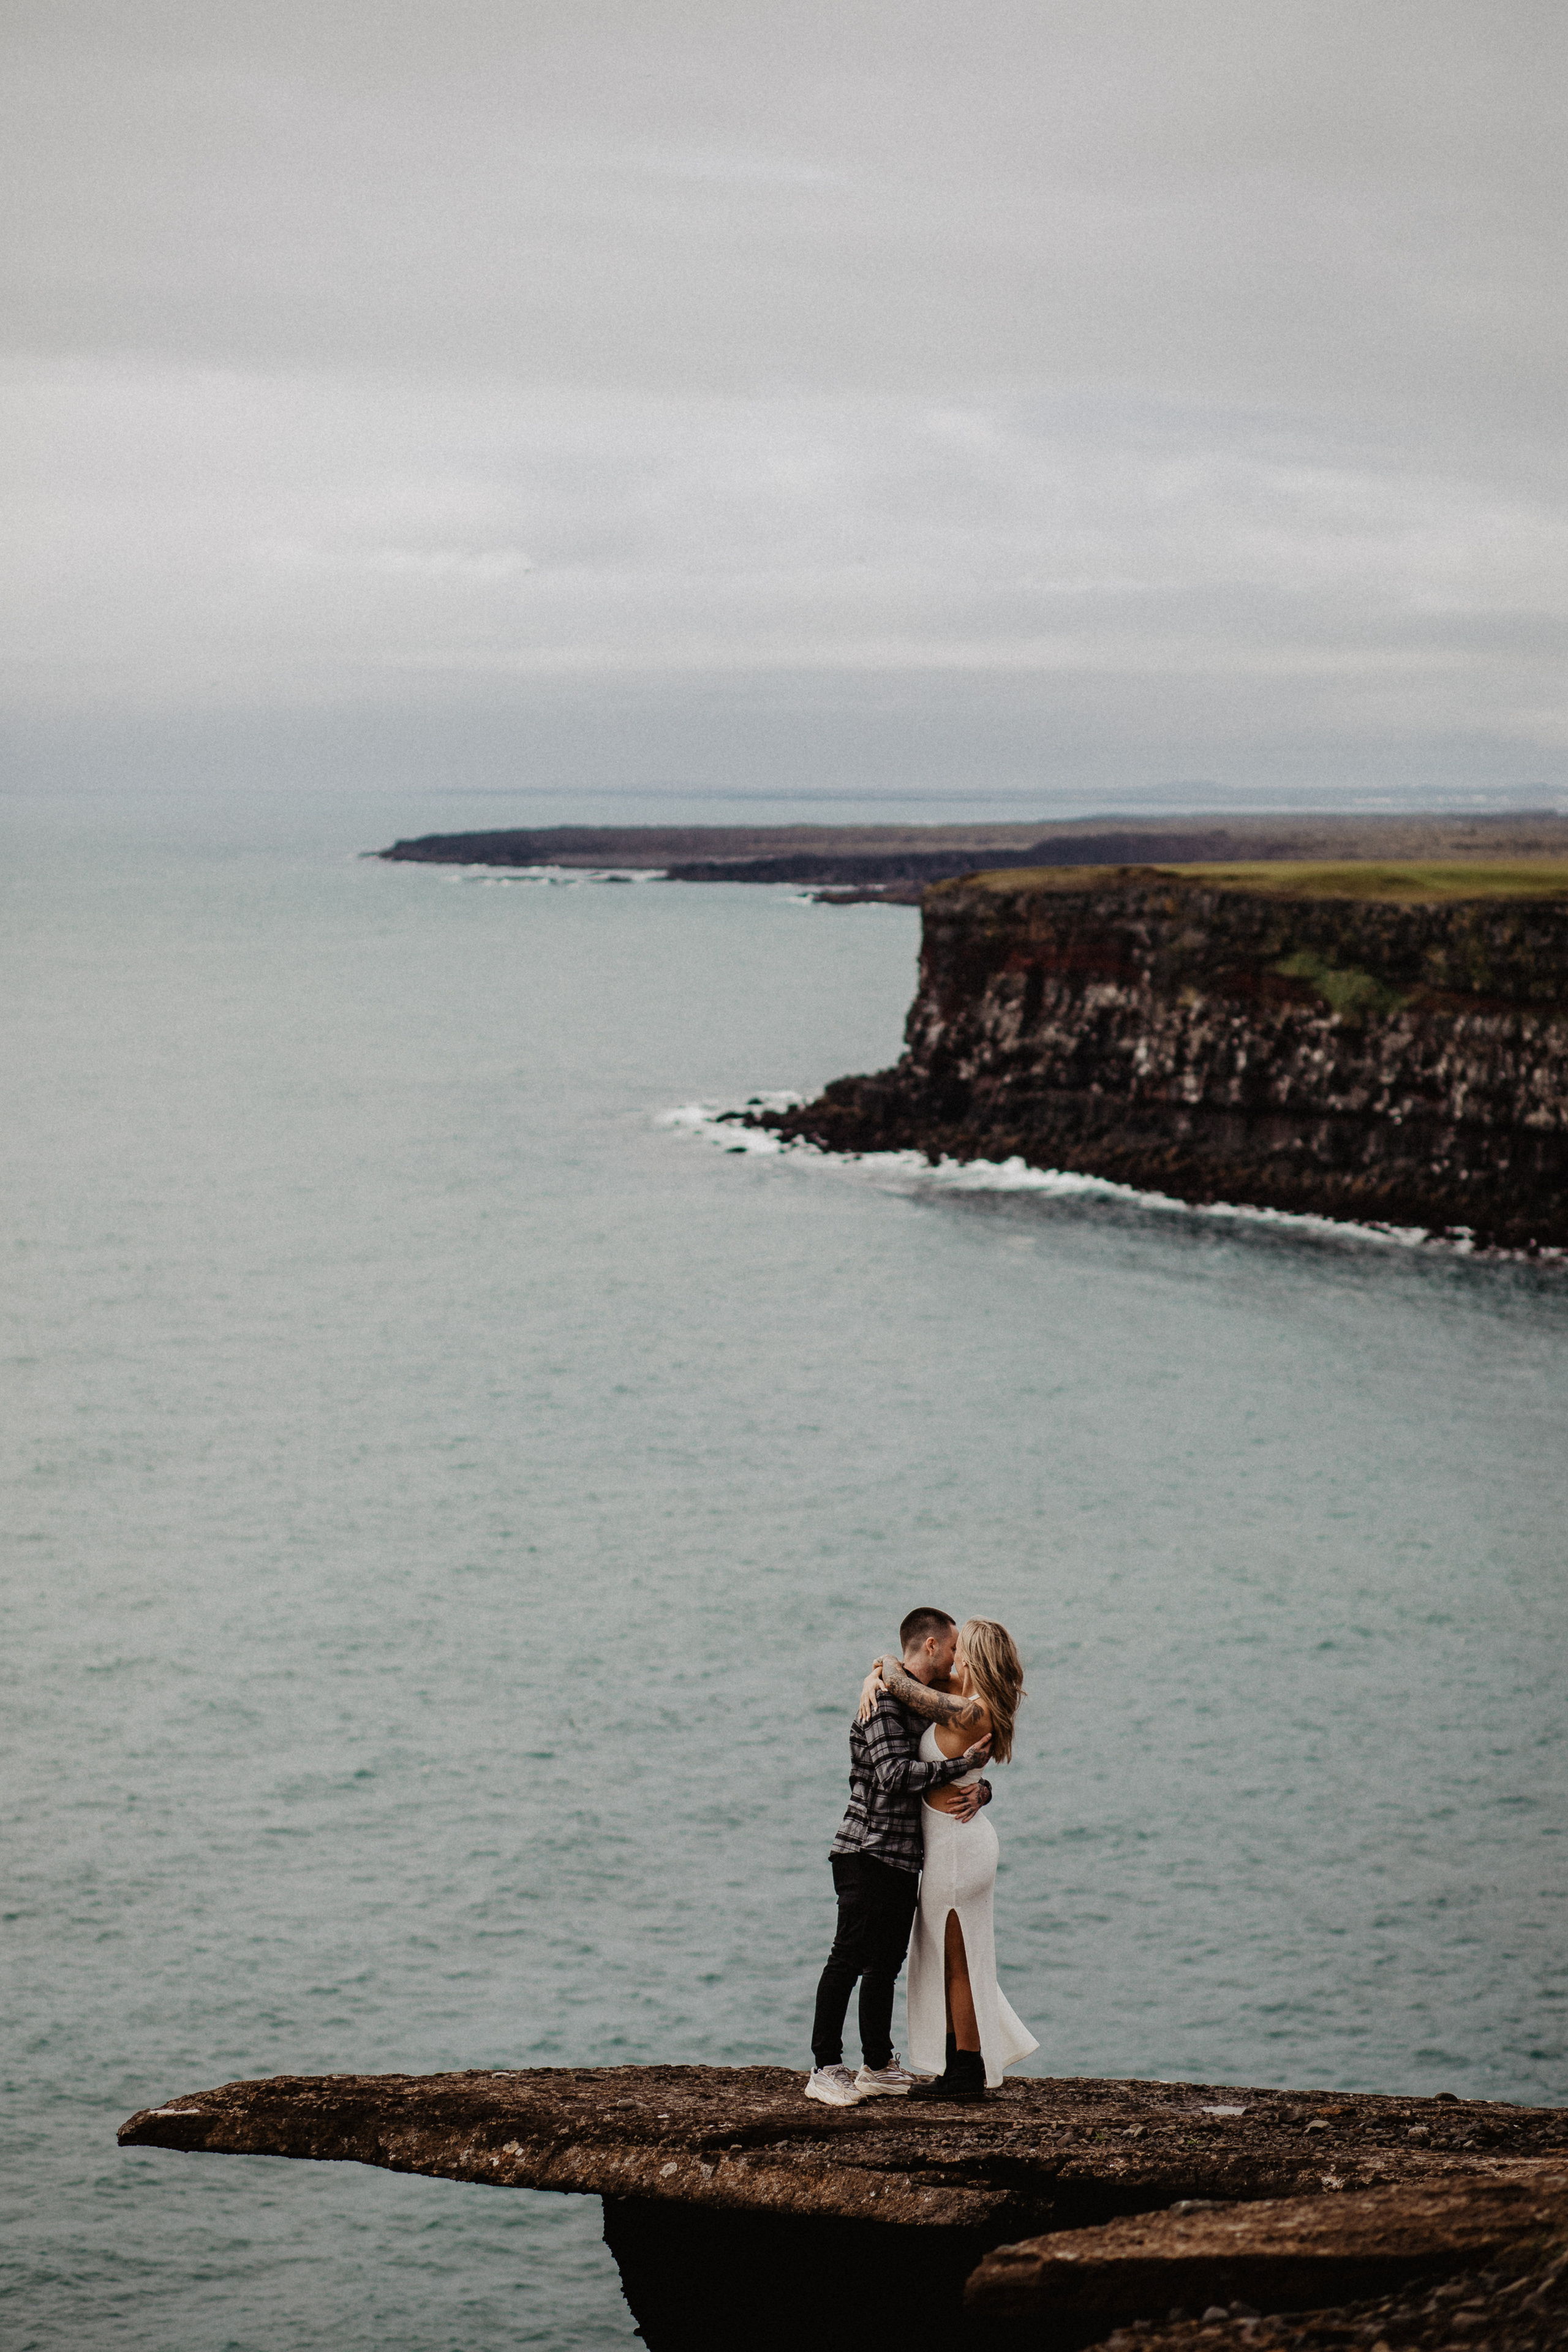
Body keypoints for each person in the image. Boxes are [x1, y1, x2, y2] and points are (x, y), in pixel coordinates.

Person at [805, 1608, 993, 2108]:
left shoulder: (918, 1701)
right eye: (952, 1648)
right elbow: (892, 1773)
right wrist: (965, 1764)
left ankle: (878, 2064)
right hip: (865, 1849)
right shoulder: (884, 1701)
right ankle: (824, 2065)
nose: (957, 1658)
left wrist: (980, 1784)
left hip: (904, 1855)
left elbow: (938, 1762)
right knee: (848, 1956)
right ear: (930, 1646)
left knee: (886, 1964)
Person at [861, 1618, 1036, 2101]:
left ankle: (964, 2073)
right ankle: (960, 2063)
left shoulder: (972, 1711)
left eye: (962, 1648)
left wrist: (881, 1671)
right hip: (951, 1842)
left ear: (975, 1657)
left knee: (956, 1961)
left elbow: (903, 1685)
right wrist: (874, 1673)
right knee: (952, 1957)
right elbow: (906, 1675)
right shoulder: (967, 1694)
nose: (953, 1654)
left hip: (958, 1848)